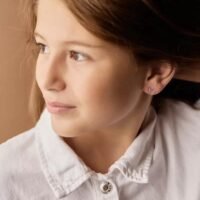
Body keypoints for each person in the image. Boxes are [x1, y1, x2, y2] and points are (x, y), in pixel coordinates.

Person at [0, 0, 200, 199]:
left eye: (77, 55)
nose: (47, 80)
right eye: (43, 47)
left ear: (155, 73)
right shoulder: (7, 179)